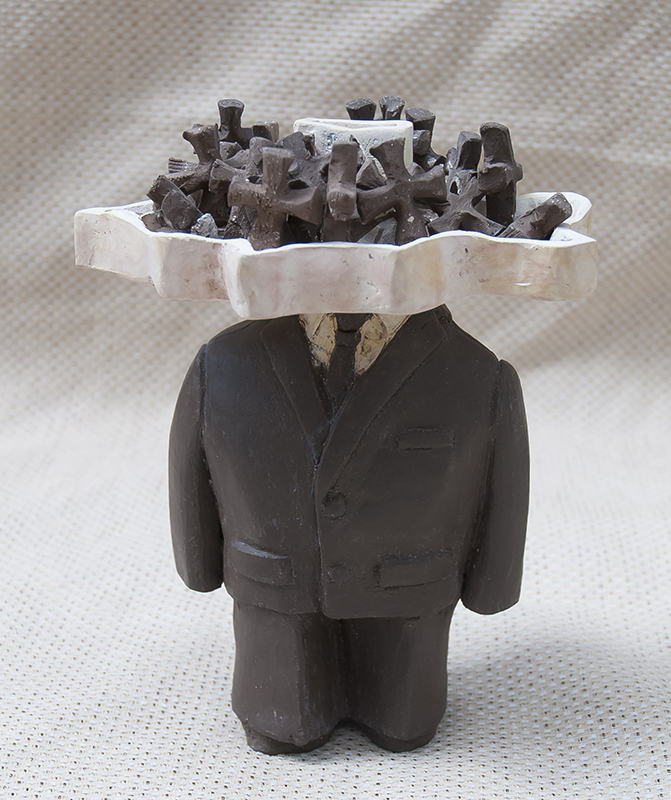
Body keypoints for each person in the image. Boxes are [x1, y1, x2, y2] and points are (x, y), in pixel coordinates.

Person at [169, 305, 529, 753]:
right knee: (284, 726)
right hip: (277, 597)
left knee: (402, 726)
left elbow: (502, 485)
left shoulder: (478, 372)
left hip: (406, 607)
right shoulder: (223, 360)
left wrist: (493, 586)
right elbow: (190, 466)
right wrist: (198, 562)